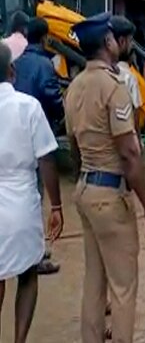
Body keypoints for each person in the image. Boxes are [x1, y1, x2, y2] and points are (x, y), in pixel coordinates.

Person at [64, 12, 145, 343]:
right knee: (123, 287)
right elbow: (130, 154)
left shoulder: (74, 88)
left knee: (94, 281)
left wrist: (84, 179)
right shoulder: (113, 86)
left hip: (85, 190)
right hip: (110, 196)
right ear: (107, 42)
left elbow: (74, 148)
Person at [0, 41, 63, 343]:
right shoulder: (28, 106)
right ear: (11, 72)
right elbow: (47, 158)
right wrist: (57, 206)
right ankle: (19, 340)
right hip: (21, 203)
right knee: (27, 275)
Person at [13, 17, 65, 275]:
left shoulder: (17, 63)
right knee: (36, 194)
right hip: (38, 136)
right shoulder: (44, 64)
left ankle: (15, 251)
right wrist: (61, 112)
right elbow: (52, 96)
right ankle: (36, 255)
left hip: (13, 136)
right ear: (45, 38)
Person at [110, 16, 143, 131]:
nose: (131, 45)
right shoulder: (128, 77)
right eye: (130, 41)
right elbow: (135, 114)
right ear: (122, 42)